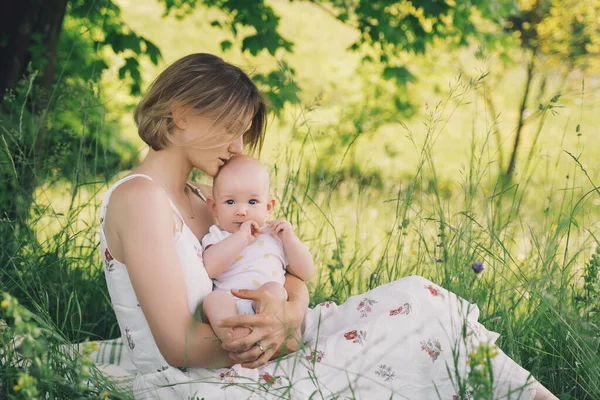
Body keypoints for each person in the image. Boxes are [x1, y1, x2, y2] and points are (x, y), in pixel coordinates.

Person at [100, 53, 558, 399]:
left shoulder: (205, 199)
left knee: (424, 297)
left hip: (258, 341)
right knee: (420, 328)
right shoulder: (140, 199)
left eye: (244, 133)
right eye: (230, 130)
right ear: (181, 113)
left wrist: (290, 316)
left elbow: (286, 271)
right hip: (207, 375)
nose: (239, 148)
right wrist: (279, 336)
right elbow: (180, 345)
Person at [201, 155, 314, 343]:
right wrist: (241, 238)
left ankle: (271, 332)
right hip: (231, 306)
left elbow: (306, 272)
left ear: (268, 206)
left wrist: (291, 240)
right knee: (213, 300)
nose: (242, 211)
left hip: (267, 308)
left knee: (274, 289)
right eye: (230, 202)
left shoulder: (274, 235)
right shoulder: (218, 235)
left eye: (252, 202)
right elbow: (210, 268)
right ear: (214, 207)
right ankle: (234, 337)